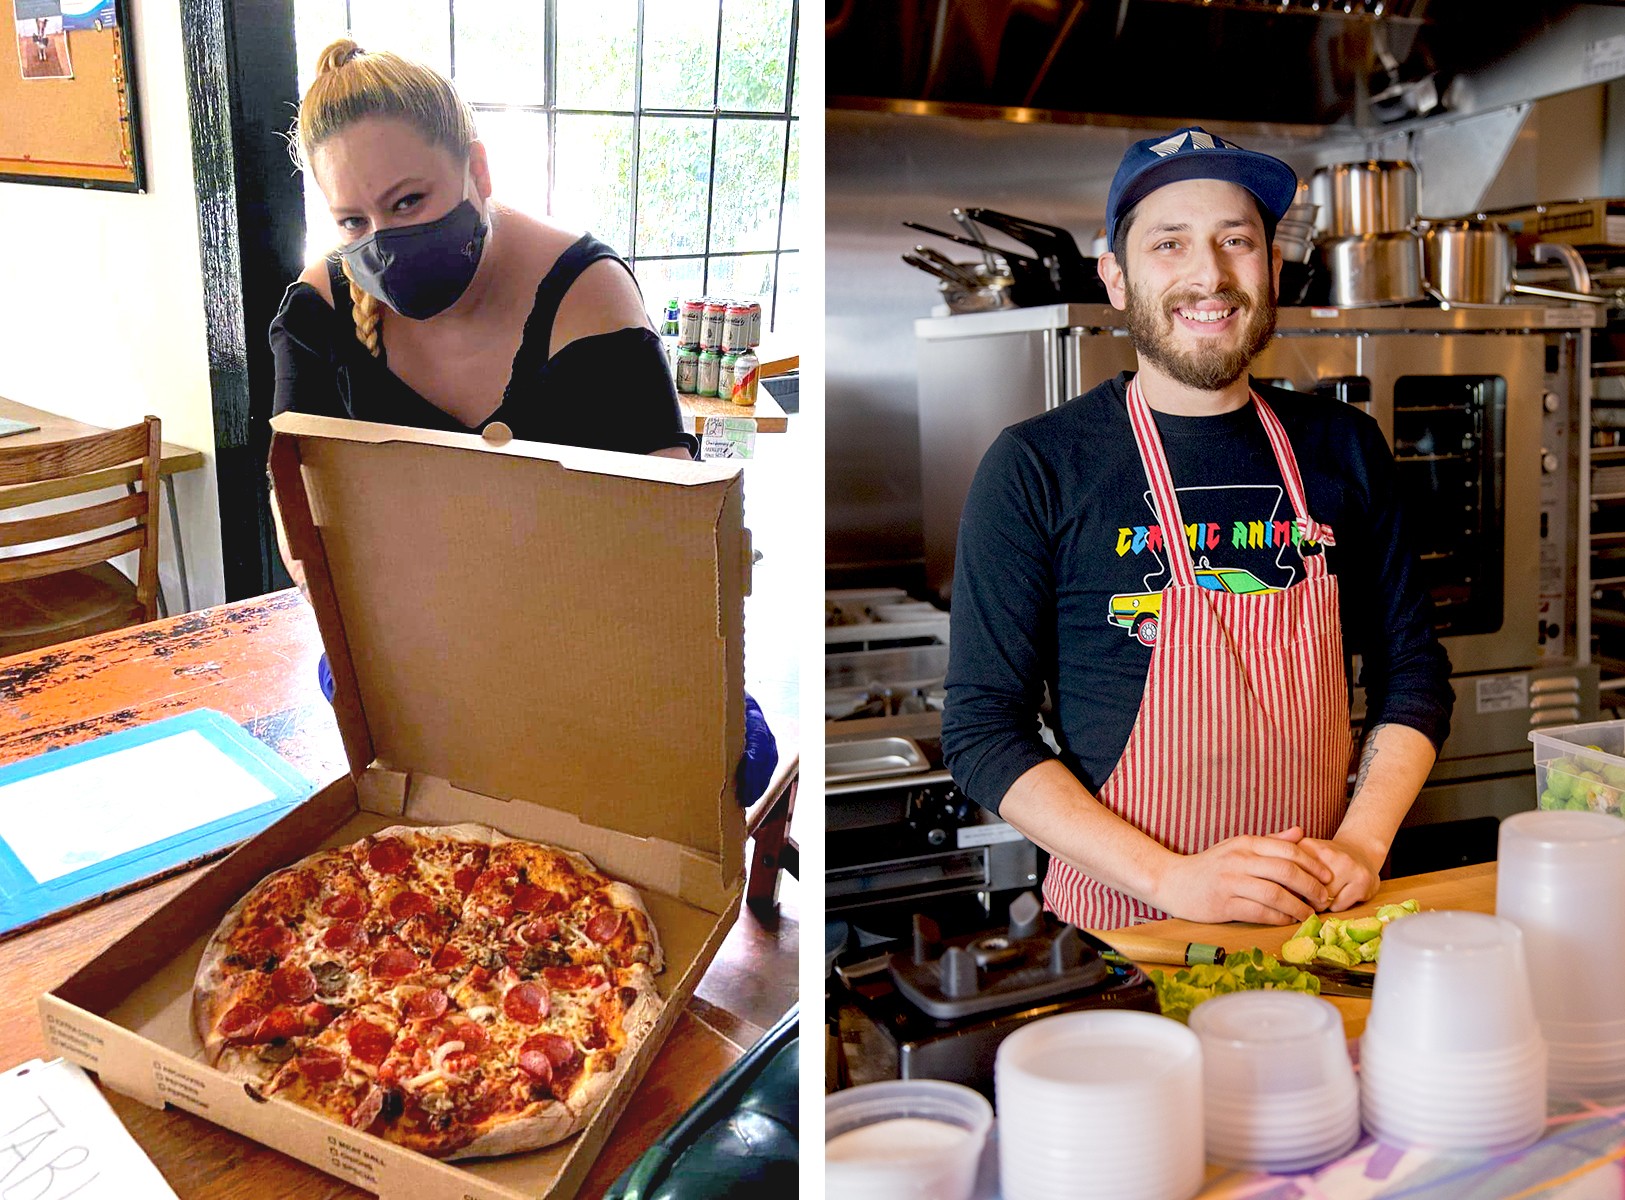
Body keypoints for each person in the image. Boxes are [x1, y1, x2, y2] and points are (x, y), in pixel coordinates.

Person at [941, 127, 1454, 931]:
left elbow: (1412, 672)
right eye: (1168, 244)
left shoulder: (1342, 446)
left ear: (1270, 268)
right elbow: (981, 730)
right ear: (1114, 277)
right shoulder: (1037, 465)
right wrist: (1170, 880)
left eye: (1235, 241)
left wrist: (1359, 846)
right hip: (1126, 938)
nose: (1208, 275)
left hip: (1320, 920)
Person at [269, 39, 695, 459]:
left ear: (477, 170)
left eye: (408, 201)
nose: (383, 245)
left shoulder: (590, 293)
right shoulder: (320, 309)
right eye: (353, 221)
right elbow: (296, 502)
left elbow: (668, 503)